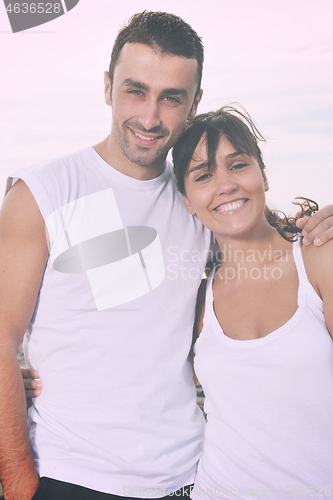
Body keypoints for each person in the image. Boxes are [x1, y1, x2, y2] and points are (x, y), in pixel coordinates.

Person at [0, 10, 332, 500]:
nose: (150, 117)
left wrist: (319, 223)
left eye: (171, 98)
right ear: (108, 86)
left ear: (193, 103)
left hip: (190, 479)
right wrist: (20, 481)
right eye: (136, 90)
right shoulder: (42, 192)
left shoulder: (196, 202)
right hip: (73, 477)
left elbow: (253, 227)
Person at [172, 106, 333, 499]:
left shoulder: (318, 258)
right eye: (204, 175)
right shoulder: (196, 298)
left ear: (262, 174)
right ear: (189, 201)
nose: (225, 185)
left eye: (238, 165)